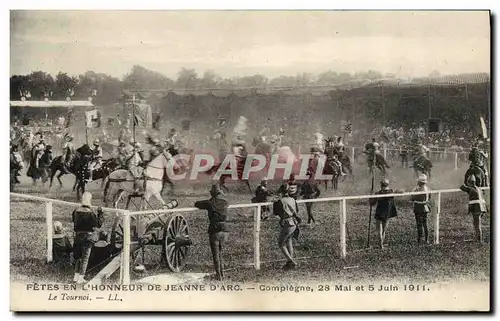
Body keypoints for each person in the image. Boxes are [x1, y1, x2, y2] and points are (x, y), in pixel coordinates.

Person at [194, 185, 229, 281]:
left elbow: (196, 204)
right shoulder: (225, 202)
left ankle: (219, 275)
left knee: (216, 254)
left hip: (215, 230)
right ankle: (222, 274)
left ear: (211, 193)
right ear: (219, 193)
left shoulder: (209, 203)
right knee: (221, 253)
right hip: (225, 230)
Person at [72, 192, 104, 284]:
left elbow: (73, 220)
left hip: (78, 236)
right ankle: (81, 277)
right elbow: (98, 224)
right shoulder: (91, 213)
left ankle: (76, 276)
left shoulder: (76, 210)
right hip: (88, 237)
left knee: (78, 257)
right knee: (85, 258)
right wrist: (100, 213)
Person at [273, 183, 301, 270]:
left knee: (281, 244)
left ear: (280, 191)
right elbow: (297, 210)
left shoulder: (279, 201)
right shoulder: (293, 199)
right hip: (294, 222)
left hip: (287, 223)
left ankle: (292, 261)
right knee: (289, 241)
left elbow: (276, 212)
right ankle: (289, 264)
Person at [369, 179, 403, 249]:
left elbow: (371, 203)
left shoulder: (378, 193)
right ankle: (381, 244)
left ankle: (380, 245)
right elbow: (402, 191)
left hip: (379, 212)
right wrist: (397, 191)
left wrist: (371, 196)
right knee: (383, 230)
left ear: (381, 185)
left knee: (379, 230)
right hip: (387, 213)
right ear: (388, 185)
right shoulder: (391, 192)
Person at [460, 175, 487, 243]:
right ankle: (478, 238)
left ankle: (479, 240)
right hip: (482, 208)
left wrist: (465, 184)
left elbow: (462, 187)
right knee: (476, 224)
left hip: (477, 208)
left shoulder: (470, 189)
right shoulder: (478, 188)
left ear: (469, 183)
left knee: (477, 225)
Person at [411, 174, 431, 244]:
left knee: (419, 224)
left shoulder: (417, 189)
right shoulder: (428, 189)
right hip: (425, 208)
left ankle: (419, 239)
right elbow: (430, 197)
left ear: (419, 182)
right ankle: (426, 239)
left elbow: (412, 198)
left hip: (418, 208)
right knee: (425, 224)